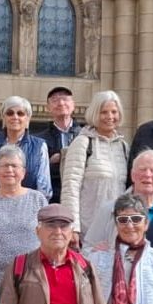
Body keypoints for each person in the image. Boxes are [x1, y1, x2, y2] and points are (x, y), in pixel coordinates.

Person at [86, 151, 153, 304]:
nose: (147, 175)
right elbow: (88, 249)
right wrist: (98, 254)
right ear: (133, 175)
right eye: (142, 170)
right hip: (115, 303)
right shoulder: (109, 210)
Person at [0, 145, 49, 287]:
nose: (9, 170)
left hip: (31, 280)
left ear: (23, 172)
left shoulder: (38, 199)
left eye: (14, 166)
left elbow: (47, 238)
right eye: (4, 165)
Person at [60, 90, 129, 242]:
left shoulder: (123, 147)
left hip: (117, 231)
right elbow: (70, 188)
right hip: (88, 230)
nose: (110, 117)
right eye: (104, 112)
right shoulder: (83, 143)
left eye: (114, 112)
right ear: (95, 114)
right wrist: (73, 228)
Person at [0, 96, 51, 198]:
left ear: (28, 118)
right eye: (10, 113)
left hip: (29, 208)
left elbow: (44, 187)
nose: (15, 117)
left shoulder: (39, 146)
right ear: (3, 117)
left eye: (20, 113)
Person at [37, 85, 81, 204]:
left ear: (73, 105)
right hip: (53, 198)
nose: (61, 103)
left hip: (81, 197)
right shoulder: (39, 140)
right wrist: (49, 163)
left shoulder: (85, 135)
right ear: (48, 108)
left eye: (65, 99)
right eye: (55, 100)